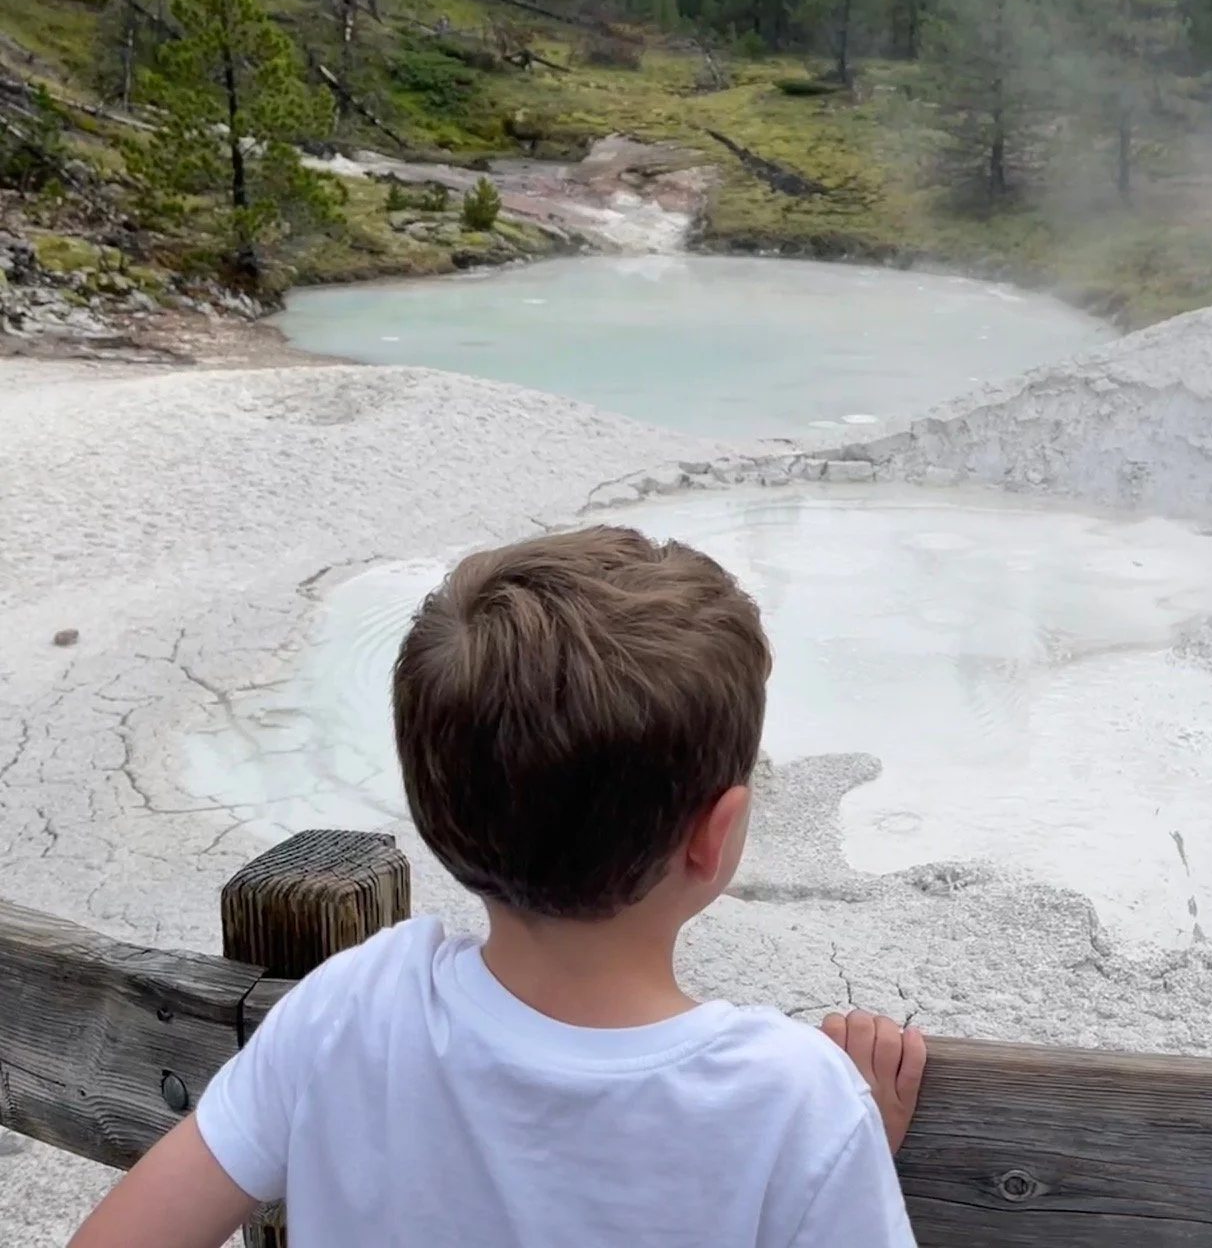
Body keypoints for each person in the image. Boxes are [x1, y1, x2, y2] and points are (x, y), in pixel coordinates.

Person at [69, 527, 927, 1248]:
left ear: (437, 808)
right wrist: (847, 1156)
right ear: (714, 832)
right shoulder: (796, 1103)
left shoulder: (351, 1010)